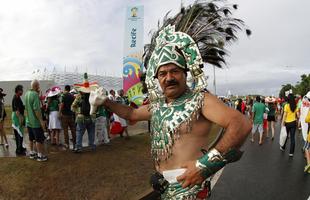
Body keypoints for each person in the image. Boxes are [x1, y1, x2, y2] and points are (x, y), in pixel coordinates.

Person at [90, 25, 251, 199]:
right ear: (157, 78)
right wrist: (106, 102)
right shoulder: (158, 105)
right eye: (163, 73)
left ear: (184, 73)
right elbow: (131, 114)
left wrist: (204, 166)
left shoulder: (200, 99)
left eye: (175, 71)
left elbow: (241, 124)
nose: (169, 78)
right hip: (162, 186)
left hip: (190, 188)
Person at [71, 73, 98, 153]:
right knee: (91, 132)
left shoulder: (79, 96)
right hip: (91, 117)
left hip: (81, 117)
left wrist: (78, 111)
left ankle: (79, 147)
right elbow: (96, 105)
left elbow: (73, 106)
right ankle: (92, 146)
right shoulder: (93, 96)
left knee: (79, 132)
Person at [24, 80, 48, 161]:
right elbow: (36, 110)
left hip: (28, 121)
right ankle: (40, 155)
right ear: (36, 86)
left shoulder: (27, 93)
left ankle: (31, 153)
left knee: (31, 138)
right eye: (38, 85)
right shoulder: (34, 95)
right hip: (35, 122)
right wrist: (41, 121)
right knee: (39, 139)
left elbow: (26, 108)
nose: (39, 87)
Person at [59, 85, 76, 149]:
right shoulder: (72, 96)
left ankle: (67, 144)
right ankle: (75, 142)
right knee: (73, 129)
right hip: (71, 115)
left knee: (65, 130)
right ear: (69, 89)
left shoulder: (63, 96)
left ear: (65, 89)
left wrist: (59, 113)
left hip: (64, 115)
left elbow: (62, 105)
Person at [12, 85, 27, 155]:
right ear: (18, 91)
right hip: (17, 117)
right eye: (21, 90)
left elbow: (20, 107)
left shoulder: (18, 97)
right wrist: (21, 119)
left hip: (18, 116)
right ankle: (19, 150)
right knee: (19, 133)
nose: (22, 92)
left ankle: (20, 147)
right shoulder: (16, 98)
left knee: (19, 133)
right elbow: (17, 111)